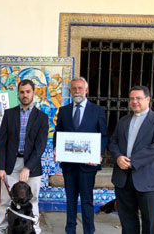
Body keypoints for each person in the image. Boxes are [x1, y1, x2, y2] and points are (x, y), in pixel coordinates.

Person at [109, 86, 154, 234]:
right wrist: (117, 157)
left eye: (138, 98)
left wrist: (132, 161)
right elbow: (113, 142)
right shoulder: (124, 120)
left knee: (150, 223)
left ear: (148, 99)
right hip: (123, 179)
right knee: (127, 221)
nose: (134, 101)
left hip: (149, 180)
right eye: (131, 98)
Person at [53, 77, 108, 234]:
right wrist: (56, 149)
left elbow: (103, 135)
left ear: (86, 90)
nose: (77, 91)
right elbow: (58, 133)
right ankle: (70, 230)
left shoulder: (97, 111)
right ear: (70, 91)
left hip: (88, 165)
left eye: (80, 88)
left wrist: (98, 154)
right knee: (70, 200)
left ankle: (88, 231)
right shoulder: (64, 111)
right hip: (69, 165)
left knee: (87, 201)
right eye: (74, 88)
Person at [0, 79, 49, 234]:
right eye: (22, 92)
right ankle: (0, 230)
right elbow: (2, 142)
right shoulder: (9, 114)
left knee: (33, 200)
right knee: (6, 200)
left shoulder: (42, 117)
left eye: (28, 92)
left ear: (33, 93)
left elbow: (40, 146)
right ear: (18, 94)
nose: (25, 95)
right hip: (11, 164)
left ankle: (35, 230)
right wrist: (1, 167)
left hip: (32, 166)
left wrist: (28, 167)